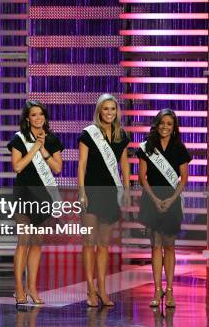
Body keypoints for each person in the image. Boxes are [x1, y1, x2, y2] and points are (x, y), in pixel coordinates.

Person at [7, 101, 63, 305]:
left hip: (43, 194)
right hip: (23, 193)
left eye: (41, 114)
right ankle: (19, 288)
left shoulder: (53, 139)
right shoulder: (19, 139)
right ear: (27, 119)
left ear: (45, 118)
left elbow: (57, 168)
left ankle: (32, 287)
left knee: (37, 242)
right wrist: (36, 147)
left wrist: (44, 150)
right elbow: (18, 166)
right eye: (33, 115)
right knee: (23, 241)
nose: (38, 118)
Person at [77, 93, 130, 307]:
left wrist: (126, 190)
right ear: (99, 111)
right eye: (106, 109)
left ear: (117, 112)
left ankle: (102, 289)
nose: (109, 112)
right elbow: (81, 165)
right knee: (89, 243)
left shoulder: (120, 135)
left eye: (113, 109)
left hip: (110, 193)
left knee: (104, 244)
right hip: (91, 192)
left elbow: (125, 165)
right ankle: (90, 289)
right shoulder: (89, 134)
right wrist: (81, 192)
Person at [136, 109, 190, 308]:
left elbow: (184, 178)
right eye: (162, 123)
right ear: (157, 124)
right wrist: (156, 199)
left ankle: (170, 292)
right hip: (152, 200)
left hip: (172, 200)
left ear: (174, 127)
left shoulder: (179, 148)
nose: (165, 127)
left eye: (169, 123)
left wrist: (171, 199)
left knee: (169, 245)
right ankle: (157, 290)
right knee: (155, 245)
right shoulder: (147, 147)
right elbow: (142, 177)